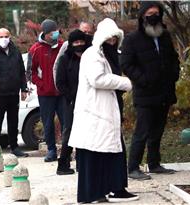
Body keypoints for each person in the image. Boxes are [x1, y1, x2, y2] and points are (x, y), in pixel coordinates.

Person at [68, 18, 139, 203]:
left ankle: (113, 189)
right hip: (94, 113)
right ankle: (92, 194)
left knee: (112, 151)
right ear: (101, 39)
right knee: (93, 155)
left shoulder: (110, 55)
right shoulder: (92, 54)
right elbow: (97, 79)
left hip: (107, 112)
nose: (112, 43)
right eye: (109, 39)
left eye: (115, 39)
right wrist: (126, 83)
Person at [120, 1, 179, 180]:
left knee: (158, 130)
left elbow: (174, 58)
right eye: (150, 13)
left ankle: (154, 163)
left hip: (164, 91)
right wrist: (143, 79)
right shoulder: (133, 39)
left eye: (156, 12)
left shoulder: (165, 36)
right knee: (142, 131)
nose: (153, 16)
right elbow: (126, 64)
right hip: (145, 93)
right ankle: (133, 167)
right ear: (142, 16)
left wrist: (173, 75)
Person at [0, 28, 29, 157]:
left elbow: (22, 71)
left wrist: (24, 88)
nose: (4, 39)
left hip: (13, 92)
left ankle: (14, 147)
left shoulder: (15, 51)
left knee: (13, 122)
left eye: (6, 36)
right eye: (1, 36)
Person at [55, 29, 91, 175]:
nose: (79, 45)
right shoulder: (65, 59)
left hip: (89, 100)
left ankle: (83, 163)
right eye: (76, 42)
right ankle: (63, 163)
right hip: (71, 101)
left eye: (81, 42)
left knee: (87, 132)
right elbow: (60, 82)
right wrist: (70, 97)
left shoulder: (90, 57)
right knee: (69, 132)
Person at [30, 19, 64, 162]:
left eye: (56, 31)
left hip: (62, 92)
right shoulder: (35, 49)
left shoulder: (63, 46)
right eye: (51, 33)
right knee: (48, 122)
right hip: (45, 94)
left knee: (66, 121)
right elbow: (30, 72)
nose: (55, 34)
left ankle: (67, 149)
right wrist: (42, 84)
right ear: (44, 33)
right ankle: (51, 149)